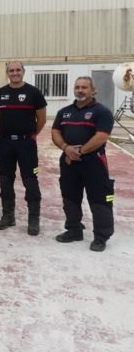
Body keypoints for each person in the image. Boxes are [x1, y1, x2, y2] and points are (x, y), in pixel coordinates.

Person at [51, 76, 115, 252]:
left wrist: (78, 151)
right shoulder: (64, 112)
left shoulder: (102, 112)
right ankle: (74, 230)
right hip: (69, 162)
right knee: (70, 197)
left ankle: (101, 237)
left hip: (94, 163)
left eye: (84, 87)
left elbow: (101, 136)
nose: (80, 90)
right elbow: (55, 131)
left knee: (99, 199)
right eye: (77, 87)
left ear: (93, 90)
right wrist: (66, 148)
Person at [0, 61, 47, 236]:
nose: (15, 73)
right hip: (6, 143)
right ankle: (8, 216)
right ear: (7, 73)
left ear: (23, 72)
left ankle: (33, 220)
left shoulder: (34, 93)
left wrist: (31, 135)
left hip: (26, 144)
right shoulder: (0, 93)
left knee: (30, 180)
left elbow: (42, 120)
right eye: (11, 70)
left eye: (18, 70)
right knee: (5, 180)